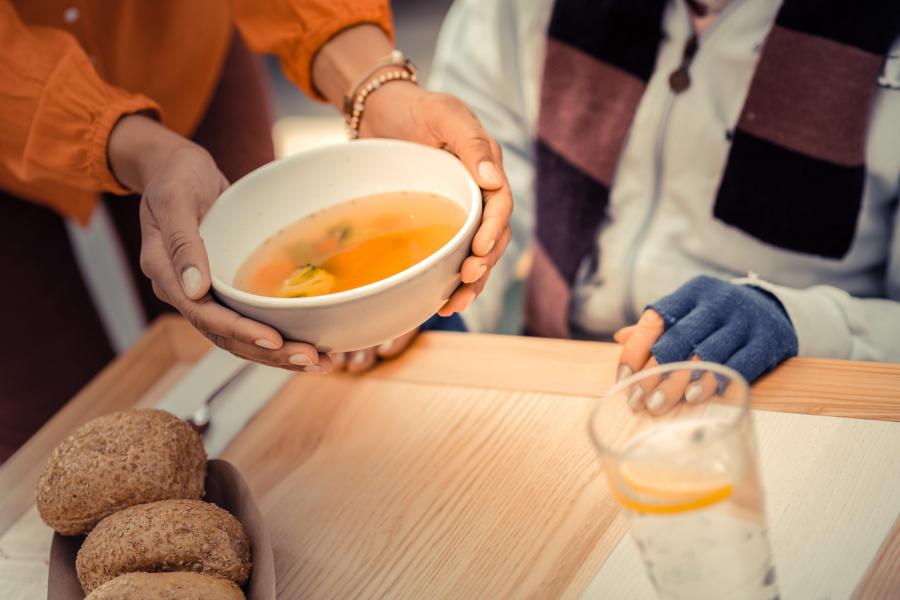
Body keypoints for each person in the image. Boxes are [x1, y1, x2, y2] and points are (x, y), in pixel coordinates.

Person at [0, 0, 512, 460]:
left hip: (183, 46)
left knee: (271, 350)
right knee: (44, 424)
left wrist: (371, 83)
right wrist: (133, 148)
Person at [429, 0, 900, 412]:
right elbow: (484, 173)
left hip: (791, 399)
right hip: (557, 376)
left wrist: (798, 321)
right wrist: (433, 300)